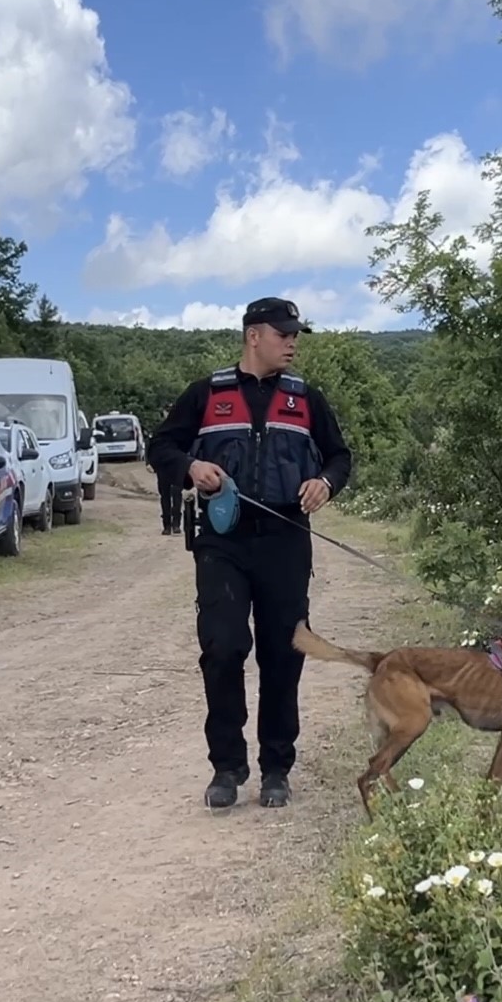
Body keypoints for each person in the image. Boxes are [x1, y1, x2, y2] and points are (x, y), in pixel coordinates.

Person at [146, 297, 353, 810]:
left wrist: (325, 483)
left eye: (295, 334)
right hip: (223, 540)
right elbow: (162, 448)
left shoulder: (307, 400)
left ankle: (276, 768)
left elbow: (340, 456)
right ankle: (226, 766)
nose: (292, 342)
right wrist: (190, 469)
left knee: (283, 654)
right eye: (283, 333)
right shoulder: (206, 394)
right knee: (223, 647)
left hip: (286, 538)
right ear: (253, 335)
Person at [149, 411, 183, 535]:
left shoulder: (181, 429)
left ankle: (176, 524)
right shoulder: (159, 430)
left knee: (177, 495)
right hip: (163, 467)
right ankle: (167, 525)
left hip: (177, 467)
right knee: (165, 496)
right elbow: (152, 446)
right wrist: (151, 463)